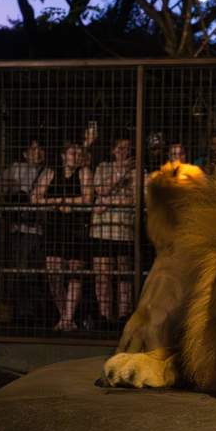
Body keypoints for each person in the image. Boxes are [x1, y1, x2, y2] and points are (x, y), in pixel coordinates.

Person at [32, 142, 93, 332]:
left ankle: (67, 318)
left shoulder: (84, 173)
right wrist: (59, 202)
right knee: (53, 273)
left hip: (76, 228)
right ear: (63, 156)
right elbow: (35, 197)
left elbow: (87, 198)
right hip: (54, 228)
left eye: (78, 153)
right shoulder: (50, 173)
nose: (74, 157)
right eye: (71, 153)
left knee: (75, 272)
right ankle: (64, 315)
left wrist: (60, 203)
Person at [0, 140, 45, 323]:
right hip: (20, 228)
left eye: (40, 149)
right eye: (33, 149)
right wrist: (9, 207)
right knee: (21, 269)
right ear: (25, 153)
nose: (38, 153)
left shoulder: (48, 170)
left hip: (39, 228)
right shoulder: (16, 169)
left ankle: (35, 311)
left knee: (35, 271)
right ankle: (25, 312)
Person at [90, 137, 137, 329]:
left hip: (124, 230)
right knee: (103, 275)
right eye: (119, 148)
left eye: (127, 148)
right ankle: (104, 316)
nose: (123, 152)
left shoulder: (137, 170)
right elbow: (100, 189)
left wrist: (107, 201)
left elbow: (135, 199)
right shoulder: (103, 167)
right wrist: (119, 173)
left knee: (124, 275)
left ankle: (123, 316)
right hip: (101, 230)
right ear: (112, 150)